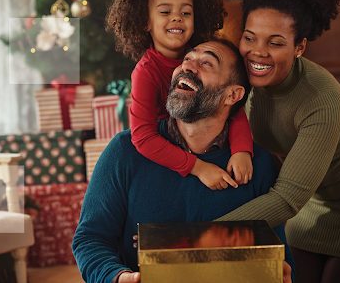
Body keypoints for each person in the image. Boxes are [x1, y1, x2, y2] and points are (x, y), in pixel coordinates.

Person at [214, 0, 340, 283]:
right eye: (250, 38)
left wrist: (203, 232)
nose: (258, 53)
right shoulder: (240, 80)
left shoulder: (322, 99)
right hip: (314, 195)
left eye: (276, 42)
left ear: (299, 48)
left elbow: (287, 198)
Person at [72, 39, 296, 283]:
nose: (187, 66)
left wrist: (281, 274)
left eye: (207, 63)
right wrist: (116, 276)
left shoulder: (257, 164)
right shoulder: (124, 151)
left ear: (233, 94)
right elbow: (90, 239)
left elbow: (280, 257)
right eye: (187, 58)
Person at [105, 0, 254, 190]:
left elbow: (232, 105)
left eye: (186, 12)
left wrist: (242, 149)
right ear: (146, 22)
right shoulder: (145, 72)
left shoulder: (205, 53)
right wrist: (199, 168)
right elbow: (143, 137)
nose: (177, 17)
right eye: (165, 11)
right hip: (169, 152)